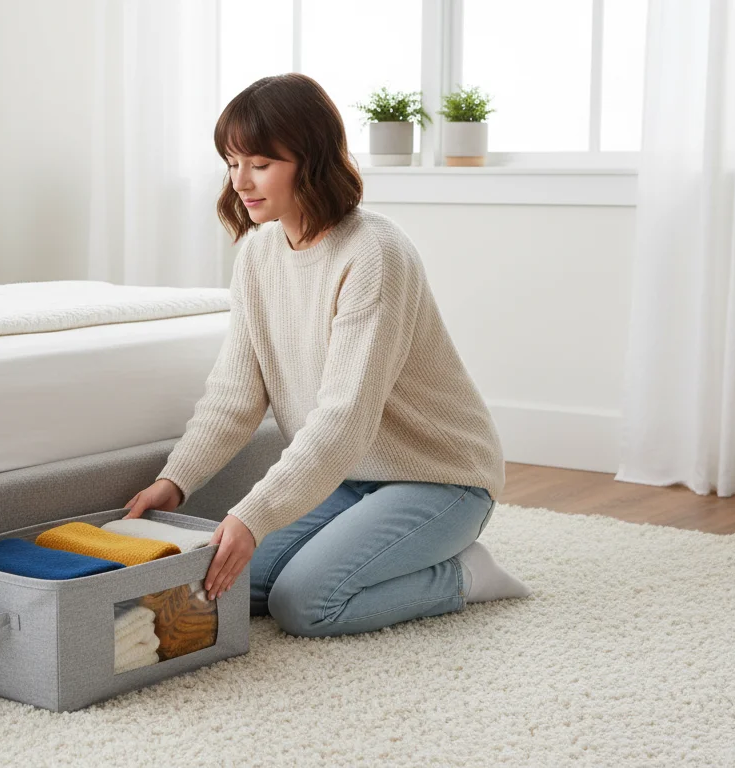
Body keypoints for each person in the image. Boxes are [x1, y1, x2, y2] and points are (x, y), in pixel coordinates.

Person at [124, 73, 531, 638]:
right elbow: (235, 395)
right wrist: (177, 481)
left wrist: (252, 514)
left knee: (304, 603)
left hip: (439, 478)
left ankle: (465, 574)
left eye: (260, 163)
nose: (240, 181)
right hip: (345, 479)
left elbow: (343, 420)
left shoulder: (375, 254)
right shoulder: (258, 254)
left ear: (309, 161)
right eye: (231, 162)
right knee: (238, 586)